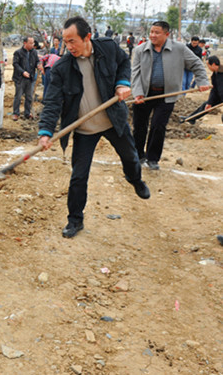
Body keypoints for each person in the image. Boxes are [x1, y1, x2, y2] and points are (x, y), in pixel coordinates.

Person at [38, 16, 150, 239]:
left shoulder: (107, 48)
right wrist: (45, 132)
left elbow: (124, 63)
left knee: (131, 158)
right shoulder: (62, 67)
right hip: (84, 129)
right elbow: (52, 102)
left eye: (73, 41)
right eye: (65, 41)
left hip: (112, 121)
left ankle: (135, 180)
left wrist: (123, 83)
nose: (68, 47)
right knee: (79, 177)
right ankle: (75, 220)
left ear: (87, 37)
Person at [131, 21, 210, 170]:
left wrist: (202, 80)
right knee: (140, 126)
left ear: (167, 34)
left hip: (167, 94)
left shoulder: (179, 49)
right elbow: (135, 73)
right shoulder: (141, 50)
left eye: (157, 32)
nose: (152, 35)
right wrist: (138, 92)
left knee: (158, 126)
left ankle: (152, 158)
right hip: (145, 94)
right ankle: (138, 155)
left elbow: (197, 64)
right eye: (151, 32)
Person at [180, 56, 222, 124]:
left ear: (213, 64)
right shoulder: (215, 74)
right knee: (205, 106)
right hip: (219, 95)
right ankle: (191, 118)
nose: (208, 67)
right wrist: (210, 102)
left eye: (208, 65)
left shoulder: (221, 73)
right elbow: (214, 89)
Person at [11, 36, 39, 120]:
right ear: (25, 43)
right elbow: (15, 64)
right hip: (20, 78)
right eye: (30, 43)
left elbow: (37, 61)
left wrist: (39, 64)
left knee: (29, 97)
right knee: (18, 96)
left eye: (33, 43)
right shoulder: (18, 52)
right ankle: (16, 113)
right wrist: (22, 72)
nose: (32, 45)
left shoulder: (34, 52)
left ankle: (27, 113)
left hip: (30, 78)